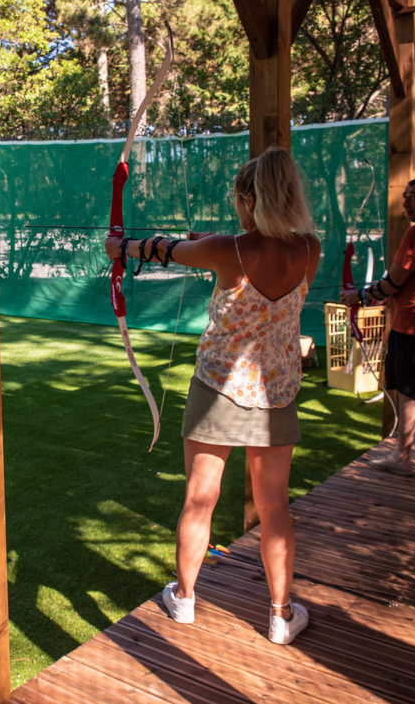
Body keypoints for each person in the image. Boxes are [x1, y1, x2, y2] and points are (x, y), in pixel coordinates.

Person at [107, 146, 320, 646]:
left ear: (249, 198)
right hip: (277, 393)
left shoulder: (228, 249)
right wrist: (208, 242)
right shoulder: (311, 247)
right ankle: (280, 614)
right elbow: (236, 248)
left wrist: (123, 247)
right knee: (275, 509)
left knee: (199, 500)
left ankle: (183, 598)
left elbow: (162, 249)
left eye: (238, 201)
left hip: (218, 390)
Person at [341, 176, 415, 476]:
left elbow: (395, 281)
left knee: (409, 395)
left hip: (414, 327)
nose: (407, 202)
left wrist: (358, 294)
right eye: (405, 196)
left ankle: (402, 456)